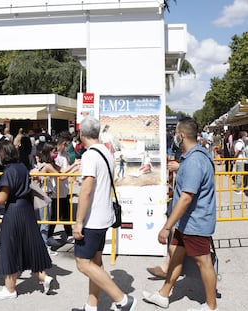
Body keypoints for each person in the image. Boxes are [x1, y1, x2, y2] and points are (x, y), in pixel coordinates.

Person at [143, 117, 218, 311]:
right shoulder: (195, 157)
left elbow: (186, 197)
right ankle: (163, 295)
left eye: (176, 132)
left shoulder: (194, 161)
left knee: (204, 263)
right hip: (187, 222)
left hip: (195, 222)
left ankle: (211, 306)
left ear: (181, 135)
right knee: (175, 255)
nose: (175, 136)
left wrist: (167, 227)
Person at [71, 117, 136, 311]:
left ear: (82, 134)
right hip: (104, 216)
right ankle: (91, 306)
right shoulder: (106, 152)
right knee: (96, 263)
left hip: (92, 219)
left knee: (83, 263)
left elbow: (87, 190)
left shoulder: (91, 155)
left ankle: (122, 300)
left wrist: (79, 221)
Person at [0, 140, 53, 300]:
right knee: (27, 245)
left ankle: (10, 289)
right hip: (27, 210)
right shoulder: (22, 167)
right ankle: (43, 277)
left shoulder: (8, 171)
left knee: (9, 247)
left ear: (2, 154)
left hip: (14, 212)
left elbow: (3, 198)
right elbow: (15, 190)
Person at [48, 132, 74, 241]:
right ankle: (48, 235)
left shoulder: (65, 155)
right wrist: (74, 167)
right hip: (55, 189)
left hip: (64, 189)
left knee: (66, 212)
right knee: (55, 214)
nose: (68, 147)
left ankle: (69, 232)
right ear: (64, 143)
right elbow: (61, 174)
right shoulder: (55, 155)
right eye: (67, 144)